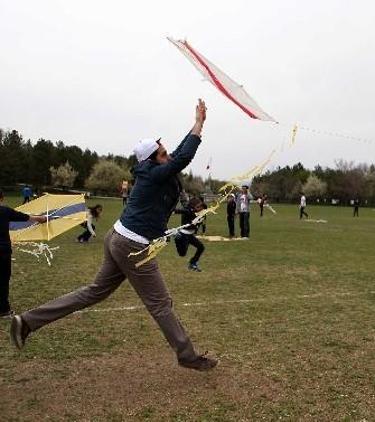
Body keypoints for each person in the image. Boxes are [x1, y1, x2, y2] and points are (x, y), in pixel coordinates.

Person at [10, 99, 217, 371]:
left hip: (118, 238)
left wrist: (196, 124)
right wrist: (199, 124)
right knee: (160, 303)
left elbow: (177, 155)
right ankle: (187, 355)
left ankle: (27, 322)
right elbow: (182, 157)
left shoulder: (153, 169)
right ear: (152, 159)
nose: (167, 156)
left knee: (94, 292)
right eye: (163, 153)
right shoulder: (154, 173)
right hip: (132, 245)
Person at [1, 189, 48, 318]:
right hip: (3, 252)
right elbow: (25, 217)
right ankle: (3, 310)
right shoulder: (5, 211)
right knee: (3, 280)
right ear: (2, 198)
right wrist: (41, 218)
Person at [174, 197, 206, 272]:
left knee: (201, 247)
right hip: (183, 234)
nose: (201, 208)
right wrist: (172, 210)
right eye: (198, 207)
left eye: (201, 207)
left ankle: (193, 263)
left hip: (190, 235)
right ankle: (176, 238)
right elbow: (180, 211)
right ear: (194, 206)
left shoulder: (201, 213)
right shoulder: (189, 211)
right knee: (182, 254)